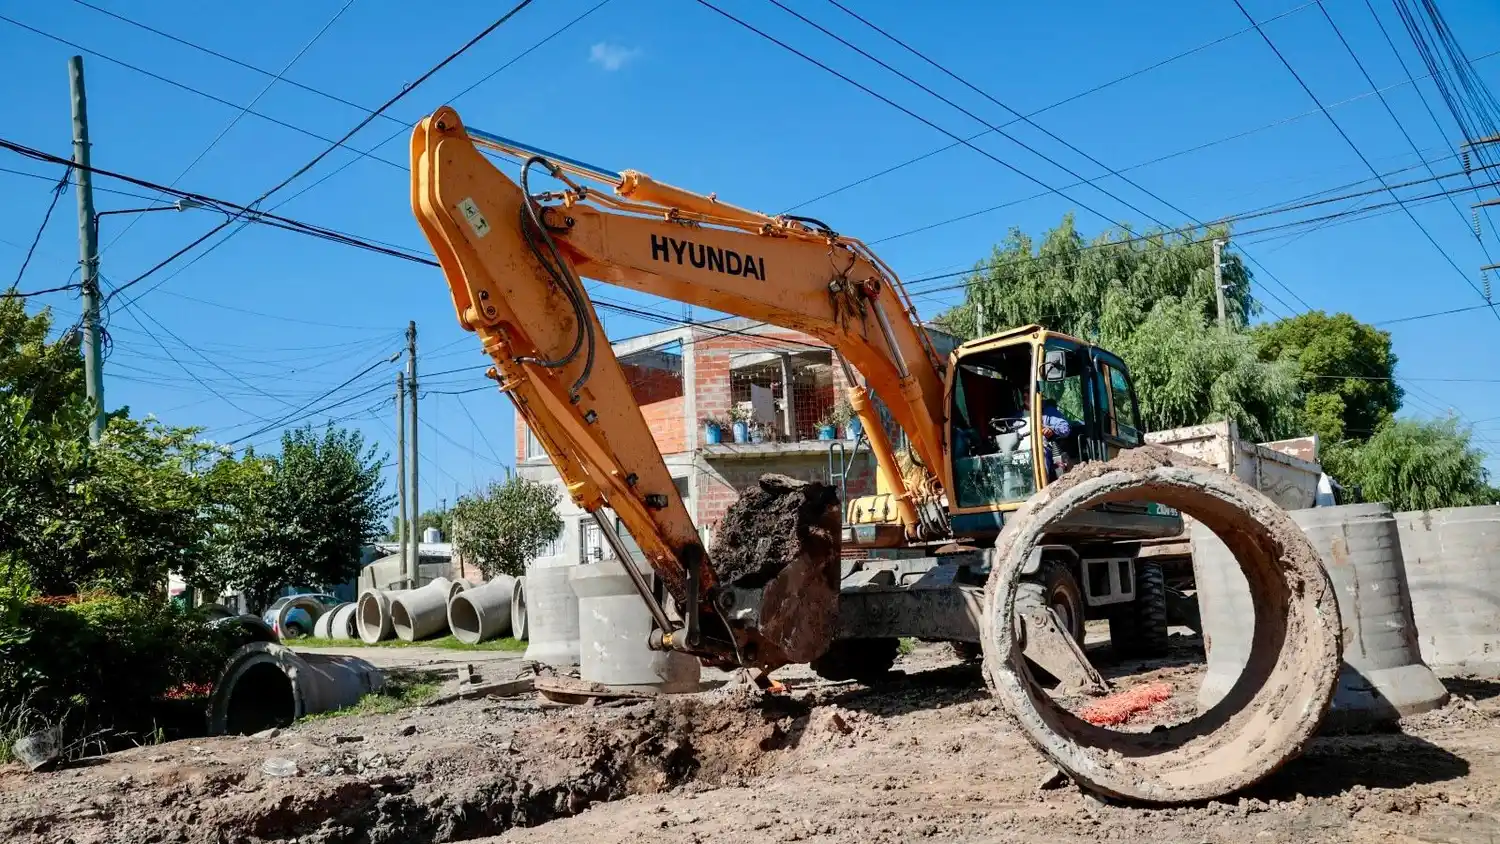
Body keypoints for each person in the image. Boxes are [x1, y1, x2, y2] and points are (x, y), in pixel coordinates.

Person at [1040, 397, 1077, 480]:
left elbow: (1065, 429)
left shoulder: (1048, 412)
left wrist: (1051, 429)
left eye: (1028, 391)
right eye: (1023, 392)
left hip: (1044, 454)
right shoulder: (1017, 417)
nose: (1026, 394)